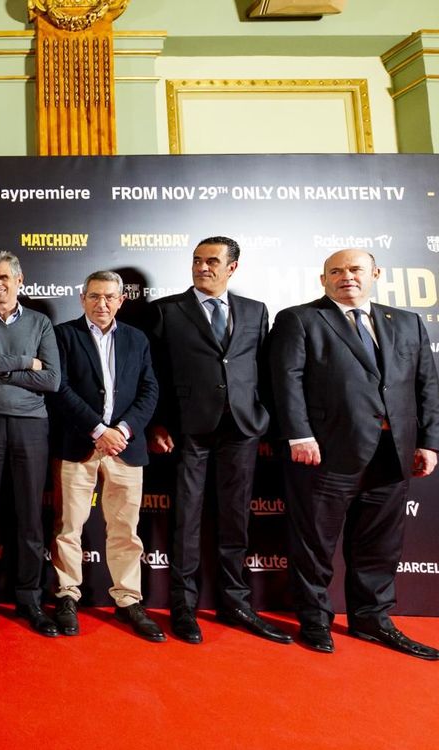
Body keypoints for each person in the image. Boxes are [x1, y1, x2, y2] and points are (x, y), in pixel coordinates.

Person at [270, 249, 439, 659]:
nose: (346, 276)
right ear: (323, 279)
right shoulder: (300, 319)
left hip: (392, 453)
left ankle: (372, 619)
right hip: (325, 454)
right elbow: (287, 382)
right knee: (314, 542)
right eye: (336, 271)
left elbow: (427, 386)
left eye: (354, 269)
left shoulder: (406, 322)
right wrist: (299, 435)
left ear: (375, 273)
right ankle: (314, 620)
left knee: (379, 545)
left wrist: (429, 441)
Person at [147, 237, 290, 645]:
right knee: (186, 520)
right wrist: (157, 423)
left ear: (233, 268)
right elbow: (153, 372)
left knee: (235, 518)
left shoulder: (255, 310)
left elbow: (263, 368)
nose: (202, 267)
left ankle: (236, 603)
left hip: (242, 428)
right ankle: (183, 606)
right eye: (196, 261)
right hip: (189, 429)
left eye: (212, 261)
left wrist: (262, 417)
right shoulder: (167, 310)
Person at [49, 271, 162, 642]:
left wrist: (123, 431)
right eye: (95, 296)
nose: (102, 304)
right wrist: (98, 430)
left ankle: (129, 599)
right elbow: (59, 388)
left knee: (125, 530)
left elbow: (149, 389)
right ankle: (66, 596)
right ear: (82, 297)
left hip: (126, 448)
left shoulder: (137, 339)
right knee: (69, 527)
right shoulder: (64, 335)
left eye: (109, 297)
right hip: (79, 443)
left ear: (121, 300)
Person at [0, 251, 60, 637]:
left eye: (3, 277)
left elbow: (51, 379)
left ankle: (30, 597)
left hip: (32, 425)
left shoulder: (40, 322)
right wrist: (25, 362)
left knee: (30, 517)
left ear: (20, 280)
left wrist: (1, 367)